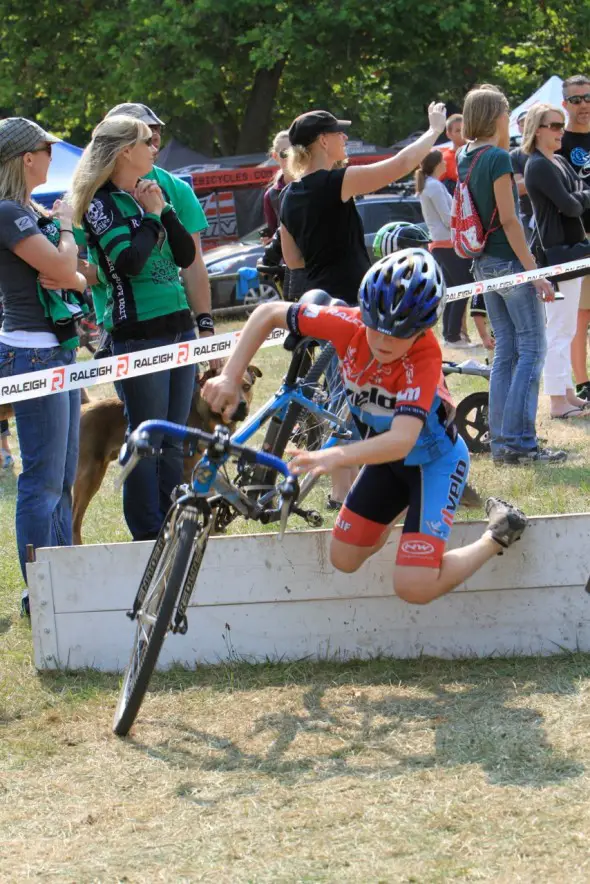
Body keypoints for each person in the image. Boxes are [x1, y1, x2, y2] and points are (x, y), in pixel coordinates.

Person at [202, 248, 527, 606]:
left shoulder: (425, 357)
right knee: (344, 558)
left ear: (422, 331)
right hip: (387, 464)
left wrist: (336, 455)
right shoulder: (348, 324)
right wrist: (231, 375)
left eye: (398, 335)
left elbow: (402, 440)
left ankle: (498, 532)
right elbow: (268, 313)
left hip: (434, 464)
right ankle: (405, 508)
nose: (383, 343)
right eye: (376, 329)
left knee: (413, 586)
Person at [70, 114, 197, 541]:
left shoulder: (151, 191)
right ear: (126, 150)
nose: (155, 148)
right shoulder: (100, 203)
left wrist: (160, 211)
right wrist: (150, 217)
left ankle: (174, 523)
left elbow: (182, 255)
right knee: (147, 441)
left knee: (176, 441)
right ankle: (148, 532)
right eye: (147, 141)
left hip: (180, 327)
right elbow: (129, 261)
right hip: (138, 333)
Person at [0, 118, 86, 612]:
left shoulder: (26, 210)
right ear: (24, 158)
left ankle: (66, 582)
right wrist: (68, 230)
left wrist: (70, 269)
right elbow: (62, 268)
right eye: (45, 148)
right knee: (42, 479)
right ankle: (43, 592)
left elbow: (76, 274)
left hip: (57, 350)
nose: (52, 155)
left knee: (63, 475)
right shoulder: (8, 212)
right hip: (32, 353)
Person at [457, 86, 566, 466]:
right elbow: (509, 219)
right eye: (505, 113)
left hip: (483, 266)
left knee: (506, 352)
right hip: (510, 263)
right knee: (531, 351)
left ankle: (503, 442)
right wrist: (534, 272)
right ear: (496, 116)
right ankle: (520, 444)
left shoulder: (463, 155)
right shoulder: (498, 158)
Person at [280, 103, 448, 306]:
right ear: (323, 141)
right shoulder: (336, 181)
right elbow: (400, 164)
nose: (345, 137)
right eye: (338, 133)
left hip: (315, 301)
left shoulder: (288, 194)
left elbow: (292, 259)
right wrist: (434, 130)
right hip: (349, 299)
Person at [88, 103, 217, 366]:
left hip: (176, 319)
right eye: (146, 134)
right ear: (122, 146)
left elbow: (192, 263)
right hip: (124, 325)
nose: (155, 138)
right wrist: (109, 269)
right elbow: (77, 268)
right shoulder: (93, 196)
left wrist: (205, 324)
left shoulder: (176, 189)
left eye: (156, 130)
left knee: (186, 407)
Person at [523, 102, 590, 419]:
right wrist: (580, 197)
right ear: (538, 129)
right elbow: (572, 206)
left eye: (562, 125)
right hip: (557, 253)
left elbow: (576, 199)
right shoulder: (538, 165)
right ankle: (557, 401)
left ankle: (566, 393)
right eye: (554, 125)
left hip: (573, 251)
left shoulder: (558, 162)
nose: (561, 131)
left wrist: (579, 197)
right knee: (560, 329)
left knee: (568, 328)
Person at [415, 150, 474, 348]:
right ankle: (453, 335)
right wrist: (467, 223)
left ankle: (451, 335)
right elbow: (448, 218)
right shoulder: (434, 186)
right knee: (463, 286)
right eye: (443, 161)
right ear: (437, 164)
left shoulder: (430, 185)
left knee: (454, 288)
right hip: (446, 244)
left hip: (441, 244)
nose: (446, 164)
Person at [558, 75, 590, 400]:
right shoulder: (560, 142)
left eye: (587, 97)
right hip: (579, 238)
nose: (583, 105)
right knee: (580, 315)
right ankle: (583, 382)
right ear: (565, 104)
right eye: (576, 99)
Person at [262, 130, 292, 237]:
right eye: (284, 153)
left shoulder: (314, 183)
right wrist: (269, 243)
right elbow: (273, 234)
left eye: (294, 152)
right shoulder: (271, 196)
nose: (290, 157)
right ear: (275, 156)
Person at [510, 110, 534, 240]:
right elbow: (519, 188)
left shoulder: (551, 147)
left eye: (529, 121)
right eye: (522, 123)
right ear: (518, 127)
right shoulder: (514, 155)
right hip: (528, 214)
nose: (526, 125)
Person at [439, 113, 466, 194]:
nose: (463, 134)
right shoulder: (443, 159)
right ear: (449, 134)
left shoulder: (477, 154)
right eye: (458, 130)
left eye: (464, 130)